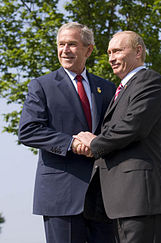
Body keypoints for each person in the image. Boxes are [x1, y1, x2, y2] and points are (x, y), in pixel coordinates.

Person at [74, 30, 161, 243]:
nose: (111, 58)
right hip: (121, 203)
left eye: (118, 51)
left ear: (138, 51)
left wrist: (95, 143)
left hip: (142, 199)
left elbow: (133, 126)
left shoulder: (149, 81)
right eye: (109, 52)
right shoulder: (121, 90)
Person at [18, 22, 116, 243]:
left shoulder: (107, 88)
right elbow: (28, 130)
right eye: (61, 45)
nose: (65, 50)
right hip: (60, 196)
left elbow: (113, 131)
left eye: (72, 44)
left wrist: (98, 145)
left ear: (88, 50)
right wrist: (71, 143)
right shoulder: (41, 86)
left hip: (103, 197)